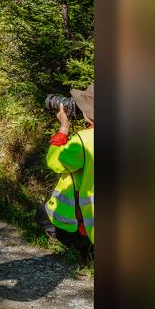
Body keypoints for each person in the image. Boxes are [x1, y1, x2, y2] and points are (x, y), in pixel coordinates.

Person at [39, 84, 95, 260]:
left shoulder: (84, 139)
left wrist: (63, 128)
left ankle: (84, 250)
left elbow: (55, 163)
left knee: (42, 214)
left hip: (89, 222)